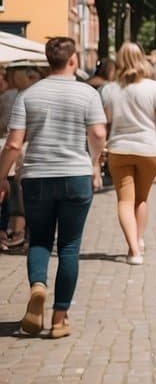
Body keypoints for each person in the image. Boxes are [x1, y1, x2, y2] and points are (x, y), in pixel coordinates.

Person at [0, 37, 107, 339]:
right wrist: (94, 160)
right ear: (73, 60)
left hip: (36, 177)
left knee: (39, 240)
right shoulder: (87, 93)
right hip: (75, 175)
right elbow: (98, 132)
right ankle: (59, 319)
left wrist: (1, 177)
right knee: (70, 246)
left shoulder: (28, 95)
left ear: (49, 61)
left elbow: (13, 143)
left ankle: (38, 286)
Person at [102, 42, 156, 265]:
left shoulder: (110, 90)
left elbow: (106, 122)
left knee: (124, 200)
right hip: (149, 150)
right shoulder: (152, 88)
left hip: (119, 148)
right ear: (142, 59)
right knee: (141, 199)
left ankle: (133, 250)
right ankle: (138, 240)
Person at [0, 66, 40, 252]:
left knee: (16, 195)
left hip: (15, 149)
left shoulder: (10, 97)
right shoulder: (35, 95)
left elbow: (8, 132)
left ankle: (17, 233)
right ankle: (28, 235)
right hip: (32, 149)